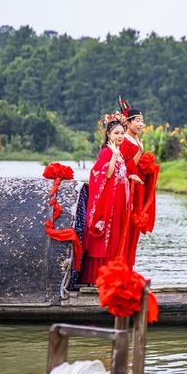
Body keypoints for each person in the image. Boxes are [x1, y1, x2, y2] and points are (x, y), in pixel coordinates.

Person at [79, 113, 142, 285]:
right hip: (109, 204)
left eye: (122, 133)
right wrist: (113, 154)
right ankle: (99, 276)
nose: (120, 136)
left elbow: (122, 174)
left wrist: (131, 177)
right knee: (106, 238)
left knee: (117, 236)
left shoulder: (119, 153)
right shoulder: (108, 152)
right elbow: (104, 174)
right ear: (109, 135)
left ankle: (114, 274)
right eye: (117, 133)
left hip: (119, 203)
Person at [119, 103, 159, 269]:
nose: (141, 124)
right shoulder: (125, 141)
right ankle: (123, 265)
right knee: (127, 228)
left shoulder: (136, 140)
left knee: (134, 230)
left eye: (142, 120)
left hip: (139, 187)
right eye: (137, 120)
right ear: (128, 123)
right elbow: (126, 167)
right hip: (130, 188)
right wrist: (138, 153)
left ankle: (129, 265)